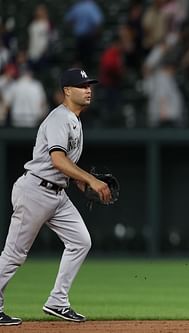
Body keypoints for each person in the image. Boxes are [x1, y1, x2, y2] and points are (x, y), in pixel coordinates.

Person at [0, 68, 112, 326]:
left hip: (56, 194)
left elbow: (64, 166)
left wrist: (79, 183)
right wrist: (91, 179)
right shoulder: (59, 118)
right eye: (82, 85)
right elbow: (57, 159)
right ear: (66, 91)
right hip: (35, 191)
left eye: (89, 85)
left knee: (81, 241)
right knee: (15, 254)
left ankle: (57, 301)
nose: (88, 89)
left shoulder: (74, 119)